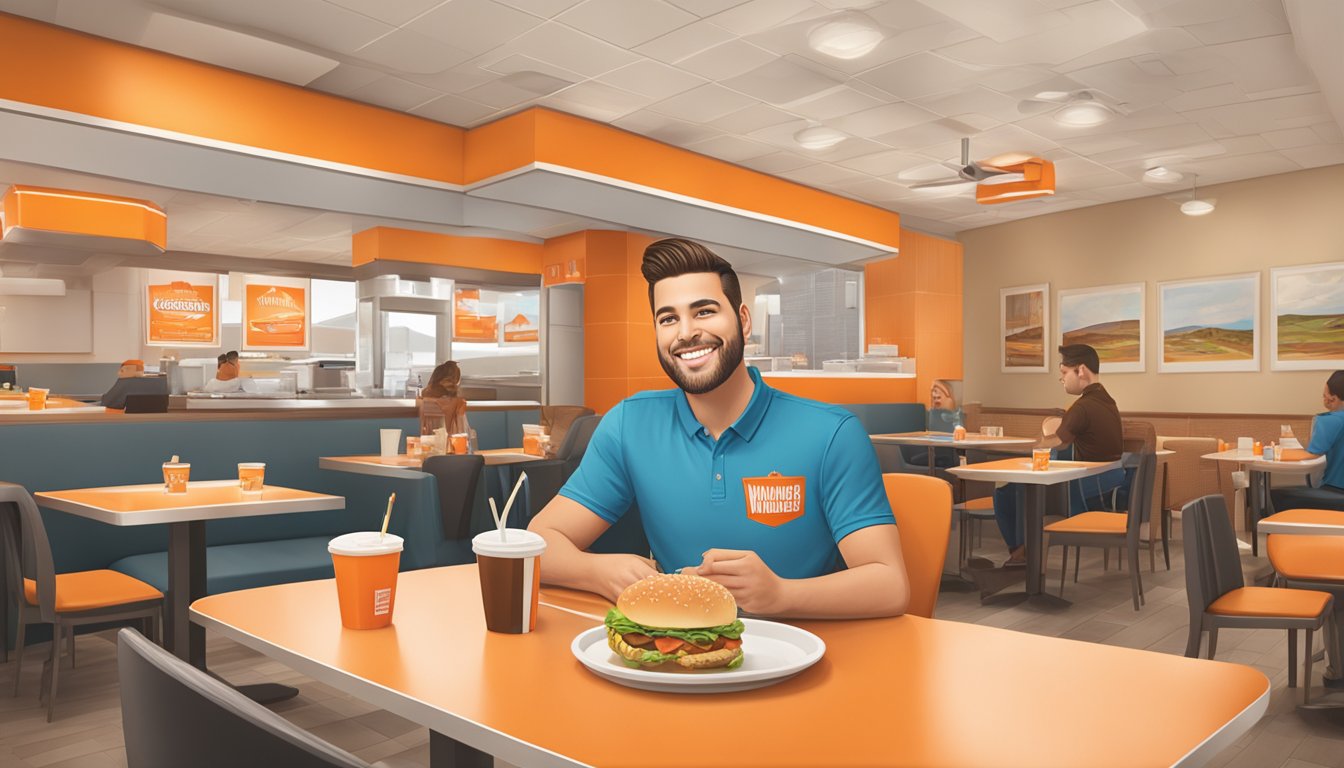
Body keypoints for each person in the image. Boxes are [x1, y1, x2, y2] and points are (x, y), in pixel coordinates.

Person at [528, 237, 910, 619]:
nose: (686, 332)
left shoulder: (832, 434)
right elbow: (540, 541)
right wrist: (598, 571)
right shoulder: (629, 425)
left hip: (812, 654)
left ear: (743, 320)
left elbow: (889, 584)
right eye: (668, 319)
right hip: (683, 654)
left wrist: (780, 594)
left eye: (705, 311)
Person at [993, 344, 1126, 567]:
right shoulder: (1106, 401)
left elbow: (1055, 442)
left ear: (1081, 370)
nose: (1062, 378)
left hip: (1086, 484)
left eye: (1064, 372)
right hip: (1110, 477)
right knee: (1017, 488)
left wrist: (1031, 443)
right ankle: (1022, 552)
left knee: (1011, 490)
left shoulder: (1083, 407)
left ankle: (1021, 554)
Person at [1269, 370, 1344, 513]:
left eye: (1324, 395)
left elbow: (1311, 454)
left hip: (1337, 492)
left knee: (1276, 495)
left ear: (1332, 399)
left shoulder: (1332, 420)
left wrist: (1274, 452)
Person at [419, 360, 469, 436]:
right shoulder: (458, 403)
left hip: (429, 443)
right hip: (453, 444)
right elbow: (462, 431)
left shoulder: (423, 401)